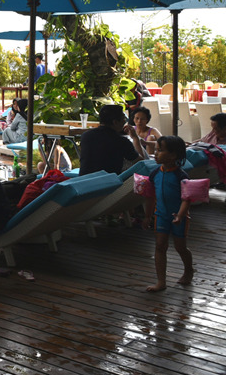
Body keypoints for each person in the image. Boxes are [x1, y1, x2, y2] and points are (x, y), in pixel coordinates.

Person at [143, 135, 194, 292]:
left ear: (173, 155)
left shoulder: (181, 176)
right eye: (156, 150)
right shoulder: (155, 174)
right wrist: (147, 216)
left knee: (180, 247)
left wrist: (180, 215)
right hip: (161, 216)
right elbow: (150, 197)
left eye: (160, 150)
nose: (156, 153)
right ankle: (161, 281)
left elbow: (186, 199)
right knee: (160, 246)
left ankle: (189, 270)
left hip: (179, 217)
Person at [79, 104, 145, 175]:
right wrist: (135, 138)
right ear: (115, 122)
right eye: (123, 119)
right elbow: (141, 164)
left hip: (84, 180)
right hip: (108, 181)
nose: (125, 122)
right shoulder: (120, 141)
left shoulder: (86, 136)